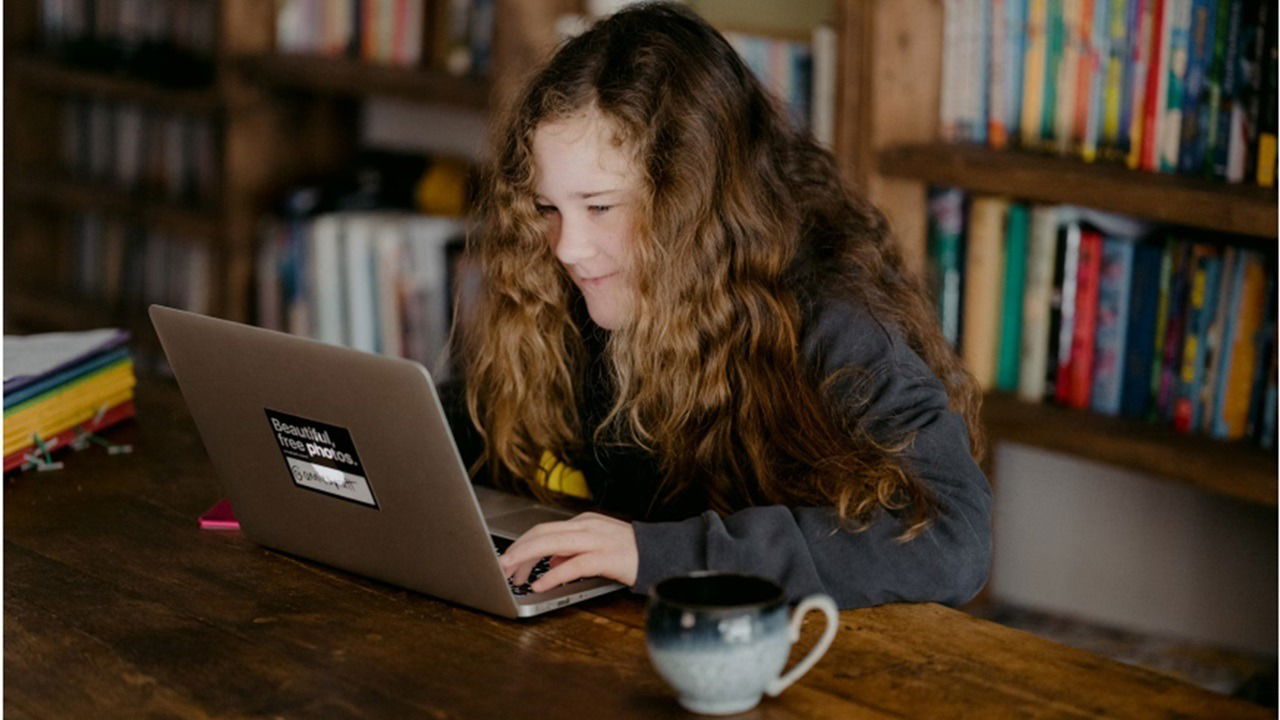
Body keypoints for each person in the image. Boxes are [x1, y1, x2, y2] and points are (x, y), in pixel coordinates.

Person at [437, 1, 991, 610]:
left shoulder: (832, 316)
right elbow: (473, 427)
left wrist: (656, 553)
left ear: (692, 203)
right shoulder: (574, 288)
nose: (569, 248)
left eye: (601, 208)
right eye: (548, 209)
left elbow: (950, 538)